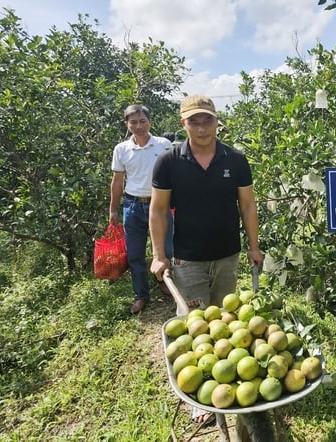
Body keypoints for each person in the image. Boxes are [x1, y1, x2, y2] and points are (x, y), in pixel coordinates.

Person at [149, 95, 263, 425]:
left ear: (217, 122)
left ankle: (227, 383)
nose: (201, 127)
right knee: (193, 325)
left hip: (228, 254)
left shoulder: (235, 159)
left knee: (228, 323)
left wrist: (254, 247)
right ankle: (200, 398)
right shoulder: (169, 161)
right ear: (183, 124)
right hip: (188, 259)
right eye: (194, 121)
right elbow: (157, 211)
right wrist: (159, 255)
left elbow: (248, 206)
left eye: (207, 120)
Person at [109, 104, 174, 314]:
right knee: (135, 254)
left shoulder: (164, 145)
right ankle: (141, 295)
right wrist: (113, 210)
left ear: (150, 122)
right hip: (133, 206)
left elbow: (177, 174)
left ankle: (164, 282)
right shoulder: (121, 149)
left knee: (167, 249)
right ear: (127, 125)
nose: (138, 126)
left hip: (161, 204)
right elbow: (117, 181)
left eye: (142, 121)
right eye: (133, 122)